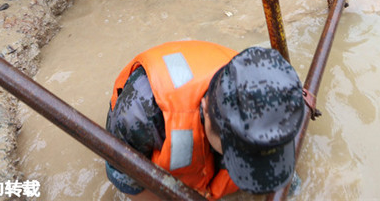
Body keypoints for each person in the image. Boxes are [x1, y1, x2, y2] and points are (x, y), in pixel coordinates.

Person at [106, 41, 305, 198]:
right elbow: (126, 180)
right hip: (154, 110)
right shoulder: (138, 114)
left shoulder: (272, 92)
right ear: (206, 110)